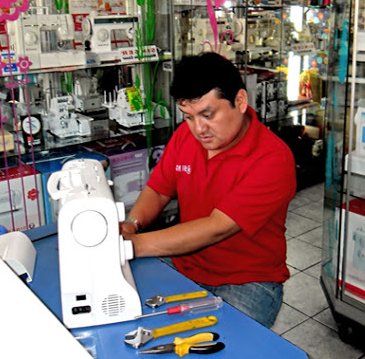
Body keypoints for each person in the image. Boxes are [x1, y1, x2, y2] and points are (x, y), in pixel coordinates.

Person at [120, 52, 296, 328]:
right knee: (131, 320)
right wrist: (131, 224)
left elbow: (218, 227)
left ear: (239, 101)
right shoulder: (185, 136)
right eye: (189, 117)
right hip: (185, 263)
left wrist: (133, 245)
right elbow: (157, 190)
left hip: (247, 280)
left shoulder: (272, 158)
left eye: (207, 115)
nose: (198, 129)